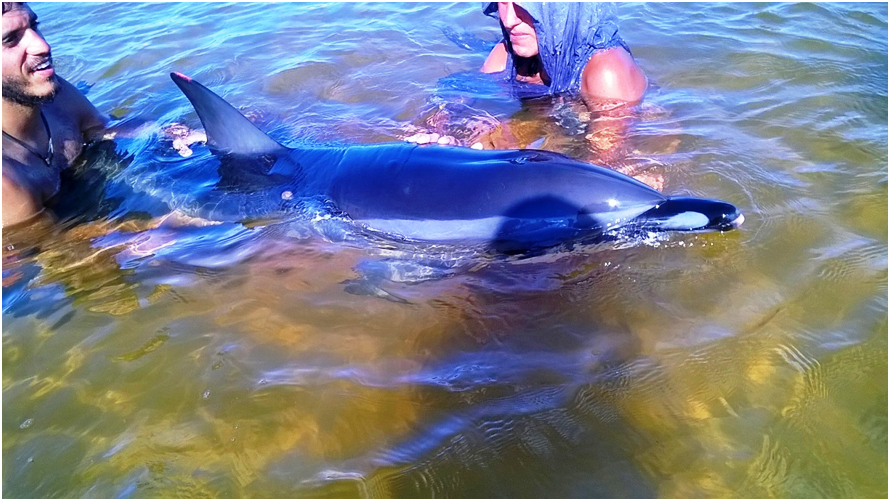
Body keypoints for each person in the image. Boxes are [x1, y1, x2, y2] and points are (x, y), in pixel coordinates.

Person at [404, 2, 661, 188]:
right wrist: (435, 131)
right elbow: (461, 99)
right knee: (486, 137)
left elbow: (604, 161)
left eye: (523, 5)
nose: (509, 20)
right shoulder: (509, 53)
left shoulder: (606, 71)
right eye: (503, 3)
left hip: (615, 133)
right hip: (550, 115)